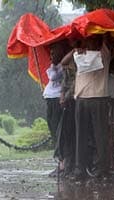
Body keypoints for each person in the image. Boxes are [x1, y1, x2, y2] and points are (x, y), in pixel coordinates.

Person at [73, 34, 113, 180]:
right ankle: (84, 169)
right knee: (90, 136)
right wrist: (78, 49)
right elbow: (64, 62)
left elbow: (65, 61)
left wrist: (78, 48)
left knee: (98, 136)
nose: (88, 43)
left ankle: (98, 169)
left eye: (90, 40)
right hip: (88, 98)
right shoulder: (82, 55)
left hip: (96, 98)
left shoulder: (102, 54)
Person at [53, 39, 83, 178]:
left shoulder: (78, 60)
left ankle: (71, 165)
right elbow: (65, 80)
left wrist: (66, 96)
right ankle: (64, 164)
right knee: (65, 134)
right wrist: (62, 95)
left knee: (72, 135)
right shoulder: (68, 63)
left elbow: (76, 82)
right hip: (67, 101)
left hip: (75, 101)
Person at [43, 40, 69, 177]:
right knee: (54, 132)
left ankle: (63, 164)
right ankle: (60, 162)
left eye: (54, 52)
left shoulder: (63, 66)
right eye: (51, 52)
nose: (51, 55)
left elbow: (54, 77)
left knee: (60, 133)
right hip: (50, 100)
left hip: (58, 101)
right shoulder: (54, 66)